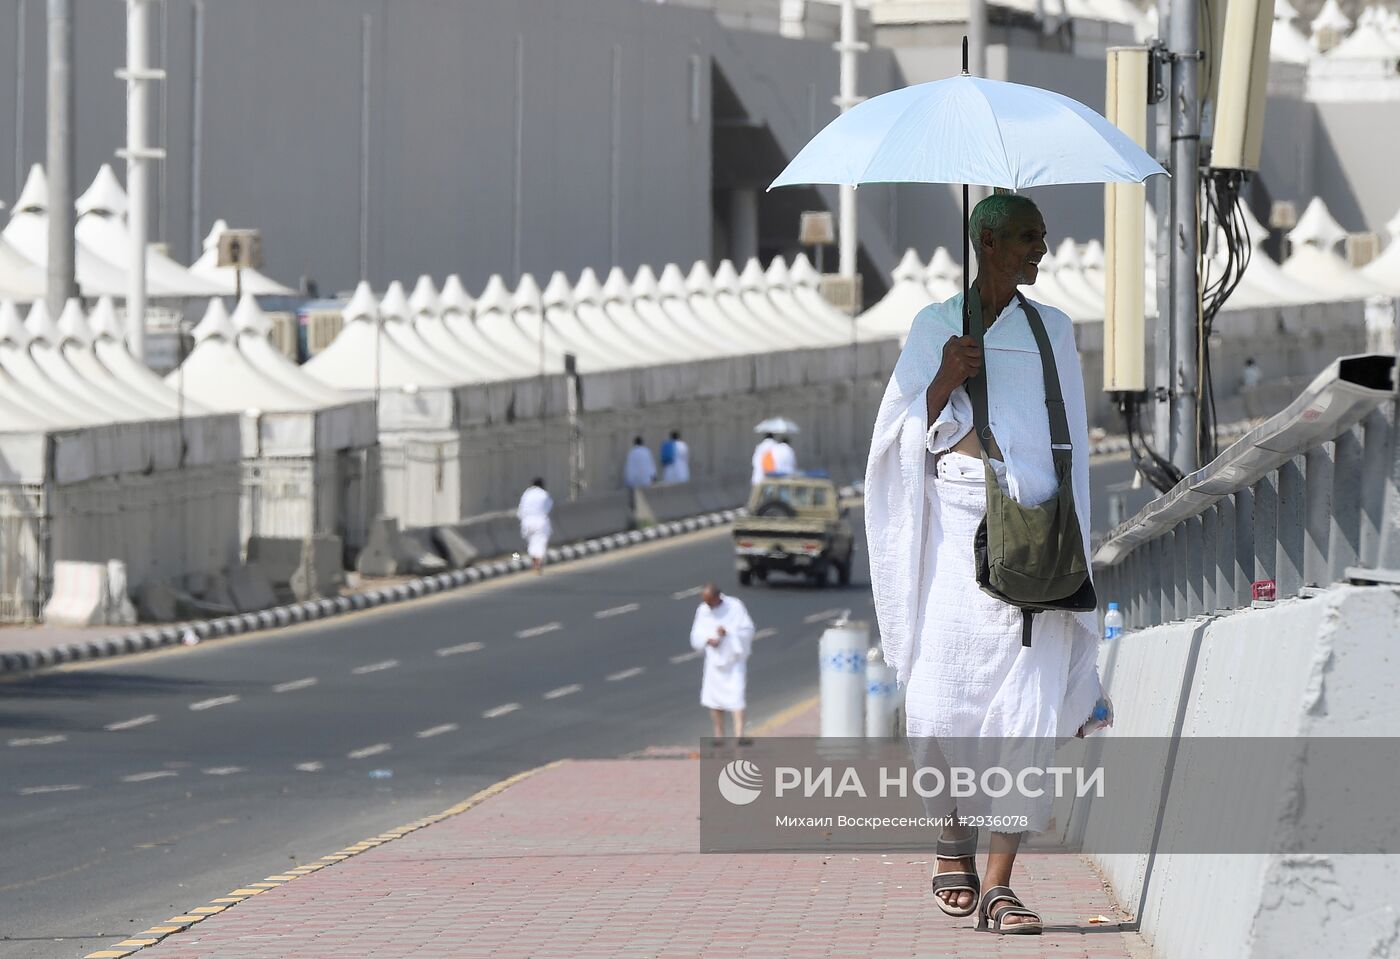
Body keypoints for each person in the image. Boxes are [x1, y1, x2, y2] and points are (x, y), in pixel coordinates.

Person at [865, 193, 1104, 935]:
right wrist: (943, 377)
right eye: (1029, 237)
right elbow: (898, 436)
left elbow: (1073, 448)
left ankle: (1001, 883)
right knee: (937, 705)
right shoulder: (935, 325)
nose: (1043, 247)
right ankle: (950, 837)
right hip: (957, 542)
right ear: (989, 241)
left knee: (1026, 718)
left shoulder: (1052, 330)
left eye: (1041, 236)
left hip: (1035, 543)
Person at [688, 583, 755, 741]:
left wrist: (728, 632)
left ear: (718, 597)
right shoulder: (703, 610)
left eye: (711, 601)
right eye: (706, 602)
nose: (709, 606)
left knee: (736, 696)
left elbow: (748, 629)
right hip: (714, 661)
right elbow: (696, 635)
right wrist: (707, 640)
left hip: (734, 660)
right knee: (714, 699)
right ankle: (719, 735)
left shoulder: (735, 606)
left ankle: (739, 735)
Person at [516, 478, 553, 575]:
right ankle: (538, 564)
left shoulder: (527, 493)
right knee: (540, 543)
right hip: (540, 521)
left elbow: (521, 508)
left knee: (532, 543)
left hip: (527, 521)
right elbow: (548, 508)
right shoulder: (544, 494)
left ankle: (534, 563)